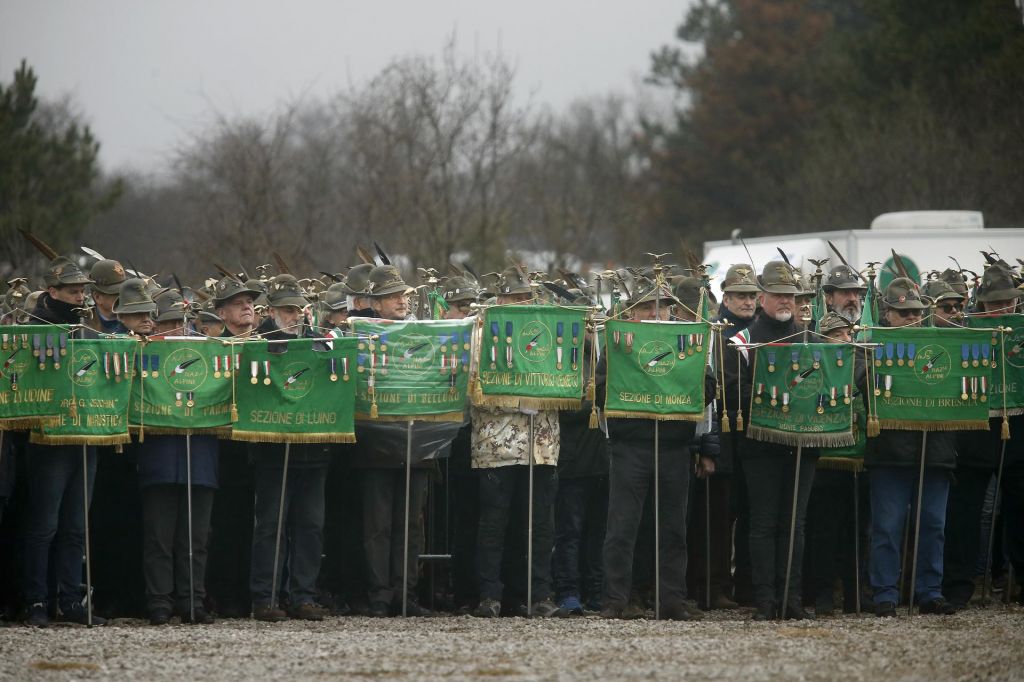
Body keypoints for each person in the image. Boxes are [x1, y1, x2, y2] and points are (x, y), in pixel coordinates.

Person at [599, 277, 712, 621]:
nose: (656, 313)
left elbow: (708, 385)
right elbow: (601, 387)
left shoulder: (686, 342)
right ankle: (617, 599)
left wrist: (675, 389)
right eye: (647, 306)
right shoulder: (618, 342)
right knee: (622, 528)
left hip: (674, 447)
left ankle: (671, 601)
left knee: (674, 530)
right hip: (631, 445)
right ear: (633, 312)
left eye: (662, 306)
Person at [724, 261, 815, 621]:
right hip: (760, 446)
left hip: (803, 445)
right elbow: (733, 392)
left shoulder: (811, 340)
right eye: (778, 295)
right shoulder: (742, 342)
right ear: (762, 297)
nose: (785, 302)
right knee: (763, 523)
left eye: (790, 296)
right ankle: (765, 600)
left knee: (796, 523)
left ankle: (791, 598)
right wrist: (781, 399)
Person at [472, 267, 562, 618]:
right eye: (514, 298)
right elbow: (473, 389)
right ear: (500, 301)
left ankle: (539, 593)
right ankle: (490, 594)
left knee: (541, 526)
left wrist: (544, 397)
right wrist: (517, 400)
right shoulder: (482, 336)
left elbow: (569, 386)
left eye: (526, 297)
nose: (522, 303)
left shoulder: (552, 335)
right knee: (494, 524)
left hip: (542, 447)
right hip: (496, 446)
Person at [865, 277, 958, 617]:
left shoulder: (945, 345)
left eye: (916, 312)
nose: (910, 319)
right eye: (902, 313)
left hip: (936, 451)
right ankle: (885, 594)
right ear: (887, 314)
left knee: (933, 525)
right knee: (887, 527)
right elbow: (861, 383)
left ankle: (929, 591)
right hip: (889, 452)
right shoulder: (871, 345)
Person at [21, 258, 105, 627]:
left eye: (84, 290)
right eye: (74, 291)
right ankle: (35, 600)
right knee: (44, 525)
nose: (81, 297)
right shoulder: (33, 330)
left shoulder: (86, 332)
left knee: (76, 526)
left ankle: (70, 599)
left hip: (84, 435)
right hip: (48, 438)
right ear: (52, 292)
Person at [249, 274, 331, 622]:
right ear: (271, 310)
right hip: (273, 447)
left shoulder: (317, 341)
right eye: (287, 309)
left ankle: (303, 595)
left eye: (298, 308)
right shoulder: (257, 341)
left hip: (313, 447)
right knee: (271, 524)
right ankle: (265, 596)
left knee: (311, 525)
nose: (294, 315)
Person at [356, 265, 436, 616]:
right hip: (376, 441)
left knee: (410, 525)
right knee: (378, 524)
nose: (402, 301)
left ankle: (406, 594)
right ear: (376, 303)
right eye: (393, 296)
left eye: (403, 295)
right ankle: (378, 594)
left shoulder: (424, 333)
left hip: (416, 440)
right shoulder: (361, 334)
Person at [715, 264, 759, 605]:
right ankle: (716, 585)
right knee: (720, 514)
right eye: (741, 295)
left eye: (752, 295)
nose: (747, 301)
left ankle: (746, 582)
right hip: (724, 431)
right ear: (725, 296)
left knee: (750, 511)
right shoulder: (718, 331)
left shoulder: (760, 329)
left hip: (754, 435)